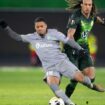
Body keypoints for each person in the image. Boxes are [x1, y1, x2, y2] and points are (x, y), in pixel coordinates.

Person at [0, 17, 104, 105]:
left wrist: (80, 49)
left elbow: (68, 41)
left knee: (82, 79)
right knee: (53, 85)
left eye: (42, 26)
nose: (40, 28)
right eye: (37, 27)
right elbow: (17, 37)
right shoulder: (32, 37)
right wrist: (5, 27)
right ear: (35, 28)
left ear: (46, 26)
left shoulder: (54, 33)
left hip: (62, 62)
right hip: (50, 67)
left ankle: (91, 86)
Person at [64, 0, 105, 98]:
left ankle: (80, 79)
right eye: (85, 4)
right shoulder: (76, 17)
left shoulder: (91, 16)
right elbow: (70, 36)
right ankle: (65, 99)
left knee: (91, 77)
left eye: (89, 5)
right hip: (72, 50)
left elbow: (97, 20)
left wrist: (103, 22)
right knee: (75, 79)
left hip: (84, 49)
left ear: (92, 6)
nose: (87, 6)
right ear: (81, 5)